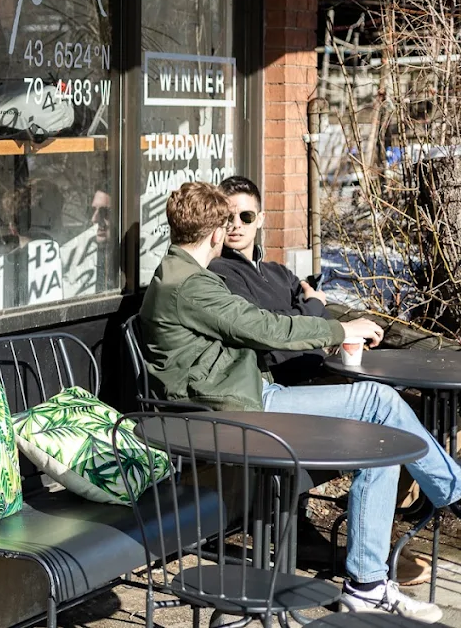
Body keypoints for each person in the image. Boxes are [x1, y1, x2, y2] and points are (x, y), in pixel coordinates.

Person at [139, 181, 461, 622]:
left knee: (381, 430)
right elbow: (266, 328)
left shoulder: (176, 273)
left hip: (239, 397)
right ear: (215, 234)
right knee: (379, 402)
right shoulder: (192, 286)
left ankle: (369, 583)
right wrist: (340, 329)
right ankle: (445, 501)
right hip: (231, 413)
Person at [209, 176, 334, 386]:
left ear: (260, 219)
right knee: (377, 397)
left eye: (246, 216)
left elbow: (322, 314)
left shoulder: (279, 272)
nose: (236, 225)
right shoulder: (219, 272)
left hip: (319, 370)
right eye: (229, 218)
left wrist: (340, 333)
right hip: (280, 384)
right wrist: (313, 304)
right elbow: (267, 327)